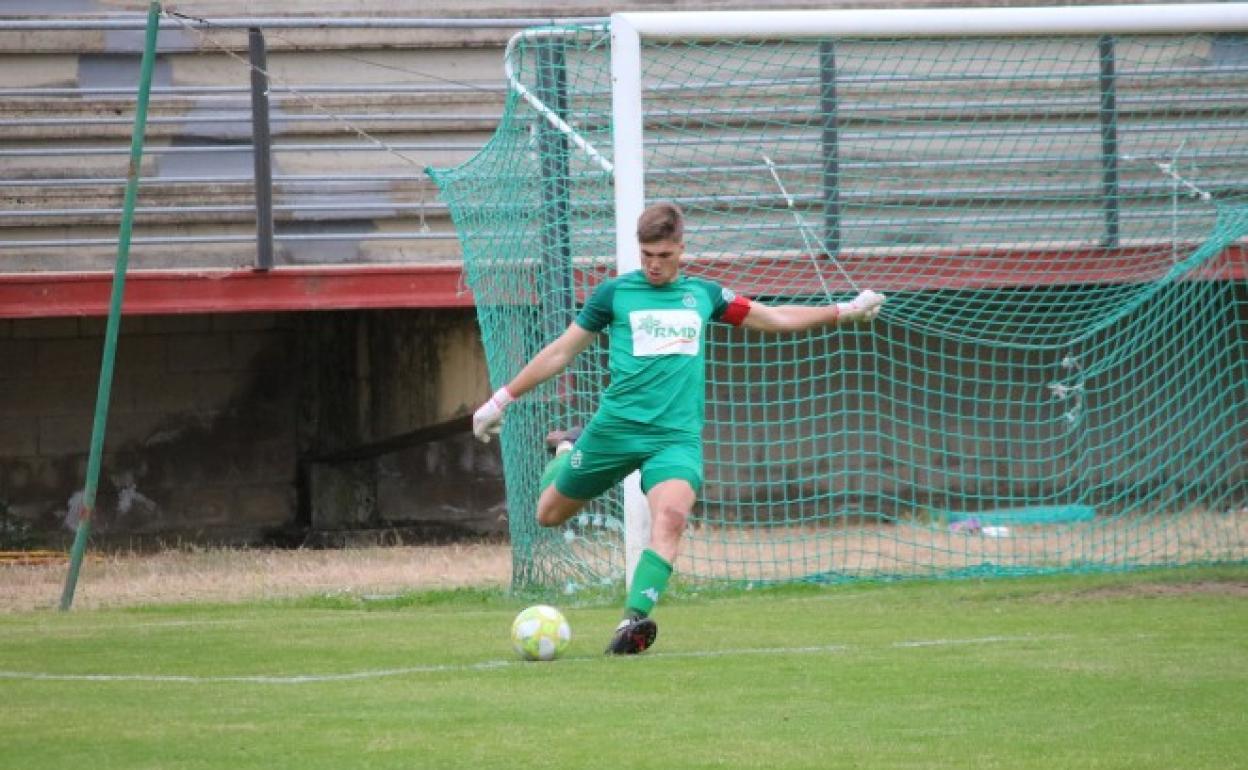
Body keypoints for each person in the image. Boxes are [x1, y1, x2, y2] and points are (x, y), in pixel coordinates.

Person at [472, 201, 885, 655]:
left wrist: (843, 310)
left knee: (670, 518)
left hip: (674, 439)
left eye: (663, 255)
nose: (653, 264)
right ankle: (569, 450)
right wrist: (500, 399)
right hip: (615, 430)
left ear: (681, 249)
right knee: (548, 515)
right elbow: (561, 352)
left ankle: (631, 624)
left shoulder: (705, 296)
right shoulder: (614, 295)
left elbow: (773, 317)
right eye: (646, 254)